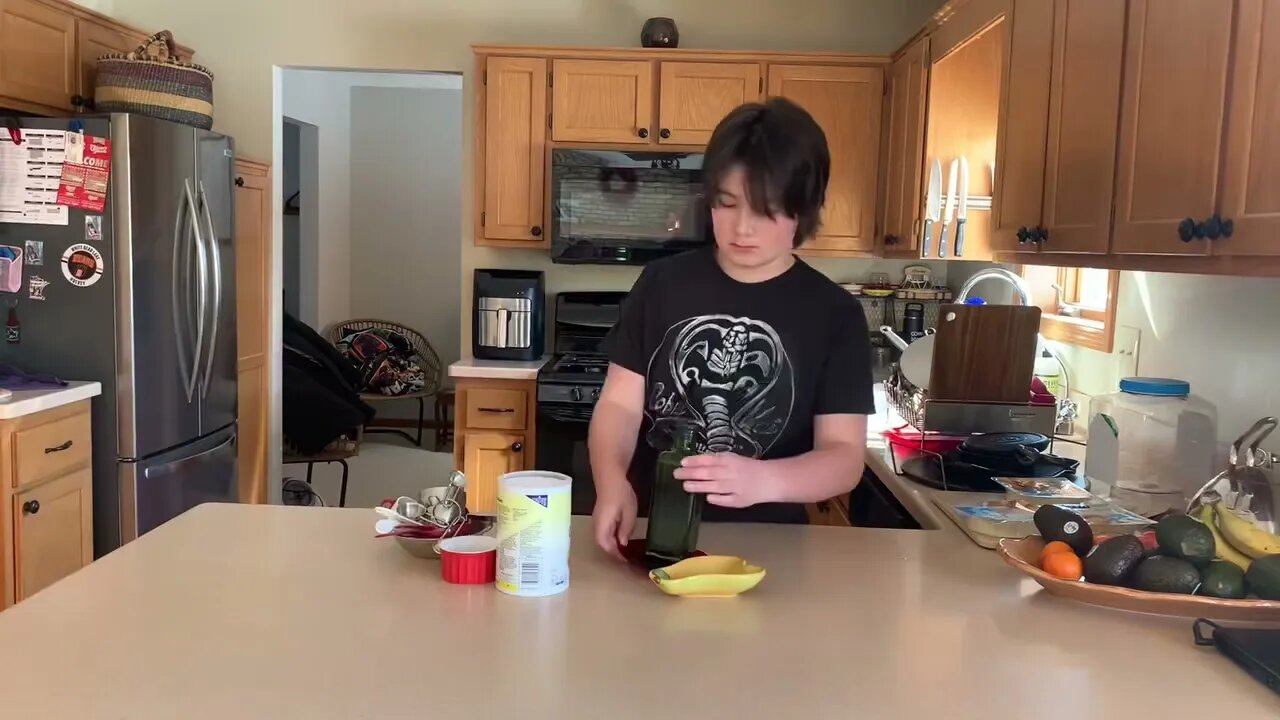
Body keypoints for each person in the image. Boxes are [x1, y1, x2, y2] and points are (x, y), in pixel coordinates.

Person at [588, 97, 875, 559]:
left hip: (769, 547)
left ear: (805, 208)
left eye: (766, 210)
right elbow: (620, 404)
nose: (743, 228)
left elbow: (843, 457)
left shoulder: (834, 313)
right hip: (650, 531)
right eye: (727, 204)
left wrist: (766, 478)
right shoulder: (662, 283)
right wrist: (611, 482)